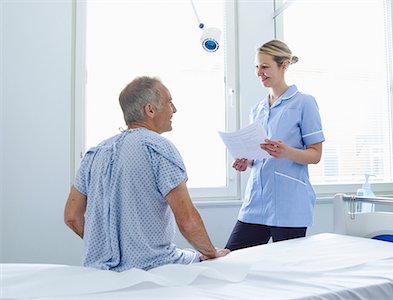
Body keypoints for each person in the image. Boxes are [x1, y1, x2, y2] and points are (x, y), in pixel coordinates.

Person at [64, 76, 230, 271]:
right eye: (169, 102)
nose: (174, 109)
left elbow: (71, 217)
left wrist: (103, 247)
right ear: (150, 110)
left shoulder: (95, 153)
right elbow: (187, 221)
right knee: (216, 262)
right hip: (153, 267)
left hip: (99, 270)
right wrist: (211, 253)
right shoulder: (158, 148)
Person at [225, 40, 325, 251]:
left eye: (265, 66)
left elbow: (315, 155)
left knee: (287, 271)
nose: (259, 72)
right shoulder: (258, 109)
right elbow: (260, 153)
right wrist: (247, 160)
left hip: (290, 205)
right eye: (257, 67)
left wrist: (286, 151)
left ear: (284, 65)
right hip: (256, 203)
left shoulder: (304, 103)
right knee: (232, 258)